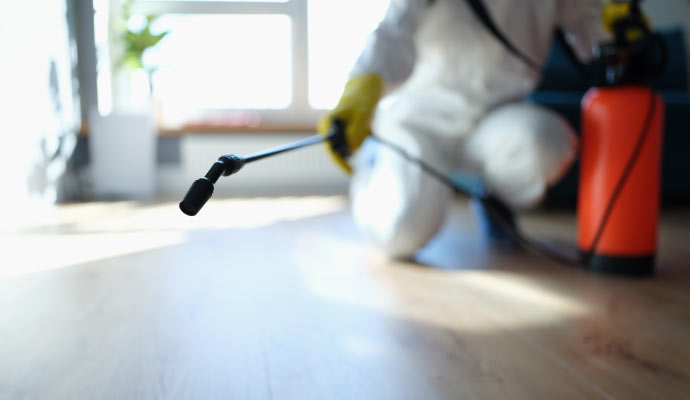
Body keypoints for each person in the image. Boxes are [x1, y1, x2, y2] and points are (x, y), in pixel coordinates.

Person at [317, 0, 621, 260]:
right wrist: (361, 89)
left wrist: (618, 31)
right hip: (423, 117)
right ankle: (377, 164)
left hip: (499, 113)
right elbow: (393, 33)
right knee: (400, 233)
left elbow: (590, 26)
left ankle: (496, 199)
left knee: (547, 143)